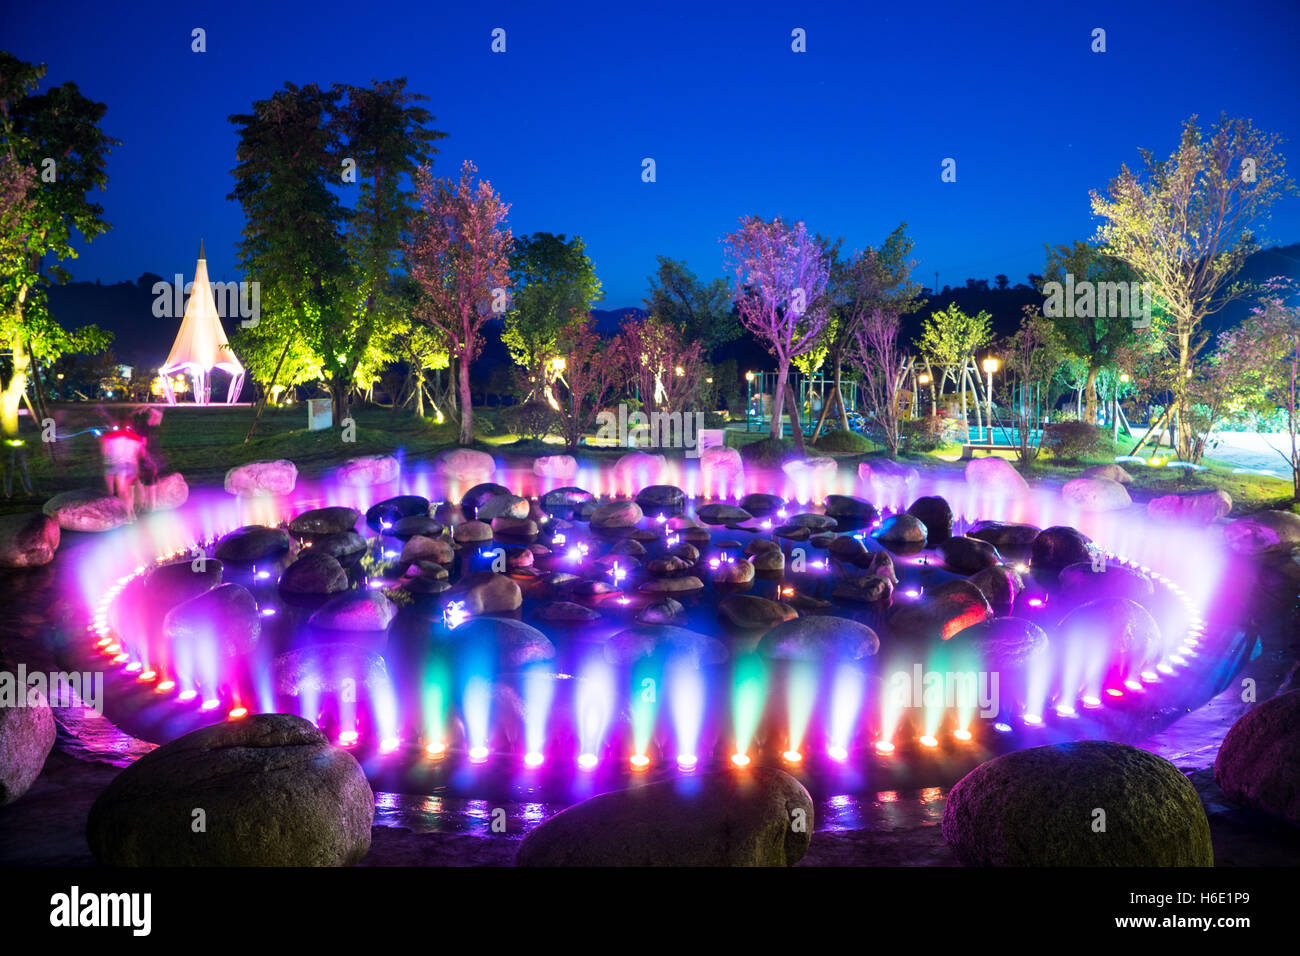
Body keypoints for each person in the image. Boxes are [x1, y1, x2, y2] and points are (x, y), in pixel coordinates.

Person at [100, 416, 145, 521]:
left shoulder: (110, 436)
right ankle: (131, 514)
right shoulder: (136, 437)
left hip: (119, 465)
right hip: (132, 466)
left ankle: (125, 516)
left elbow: (104, 452)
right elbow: (139, 453)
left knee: (120, 492)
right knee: (127, 491)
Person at [135, 407, 165, 512]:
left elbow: (159, 415)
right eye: (154, 417)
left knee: (148, 483)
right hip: (149, 458)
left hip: (150, 458)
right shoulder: (145, 428)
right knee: (149, 482)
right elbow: (142, 445)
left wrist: (147, 407)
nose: (157, 418)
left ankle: (148, 505)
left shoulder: (149, 427)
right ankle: (149, 506)